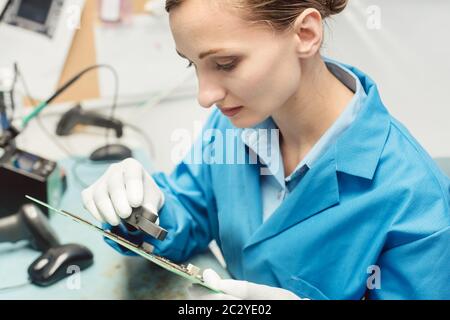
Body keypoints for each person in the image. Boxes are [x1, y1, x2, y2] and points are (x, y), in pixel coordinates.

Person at [81, 0, 450, 300]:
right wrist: (143, 212)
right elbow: (191, 209)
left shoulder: (417, 202)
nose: (204, 95)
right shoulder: (233, 124)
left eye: (225, 64)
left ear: (306, 34)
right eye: (193, 64)